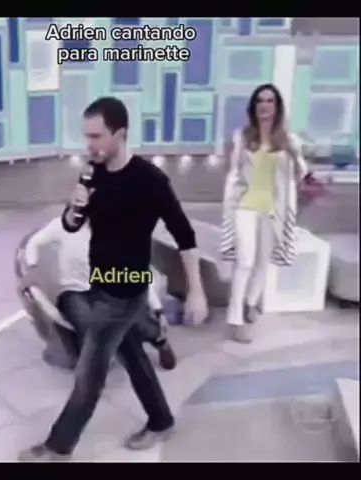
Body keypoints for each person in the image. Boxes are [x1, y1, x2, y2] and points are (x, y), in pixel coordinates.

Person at [19, 97, 208, 462]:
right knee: (133, 356)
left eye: (96, 136)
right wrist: (74, 207)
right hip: (100, 283)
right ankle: (161, 421)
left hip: (124, 292)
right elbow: (72, 224)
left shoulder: (151, 181)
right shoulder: (94, 174)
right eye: (86, 136)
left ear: (120, 134)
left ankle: (58, 449)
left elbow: (185, 235)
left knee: (89, 375)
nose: (89, 145)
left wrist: (196, 291)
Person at [220, 83, 310, 344]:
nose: (265, 105)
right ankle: (235, 319)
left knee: (262, 262)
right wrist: (229, 204)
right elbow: (233, 172)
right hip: (245, 206)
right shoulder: (242, 137)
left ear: (277, 106)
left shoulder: (289, 140)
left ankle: (250, 303)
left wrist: (295, 155)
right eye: (260, 100)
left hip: (272, 209)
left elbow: (300, 174)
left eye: (270, 101)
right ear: (254, 106)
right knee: (245, 262)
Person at [22, 218, 177, 370]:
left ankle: (159, 340)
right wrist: (31, 268)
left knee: (135, 316)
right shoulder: (64, 224)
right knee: (89, 320)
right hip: (74, 290)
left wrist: (158, 309)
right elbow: (34, 243)